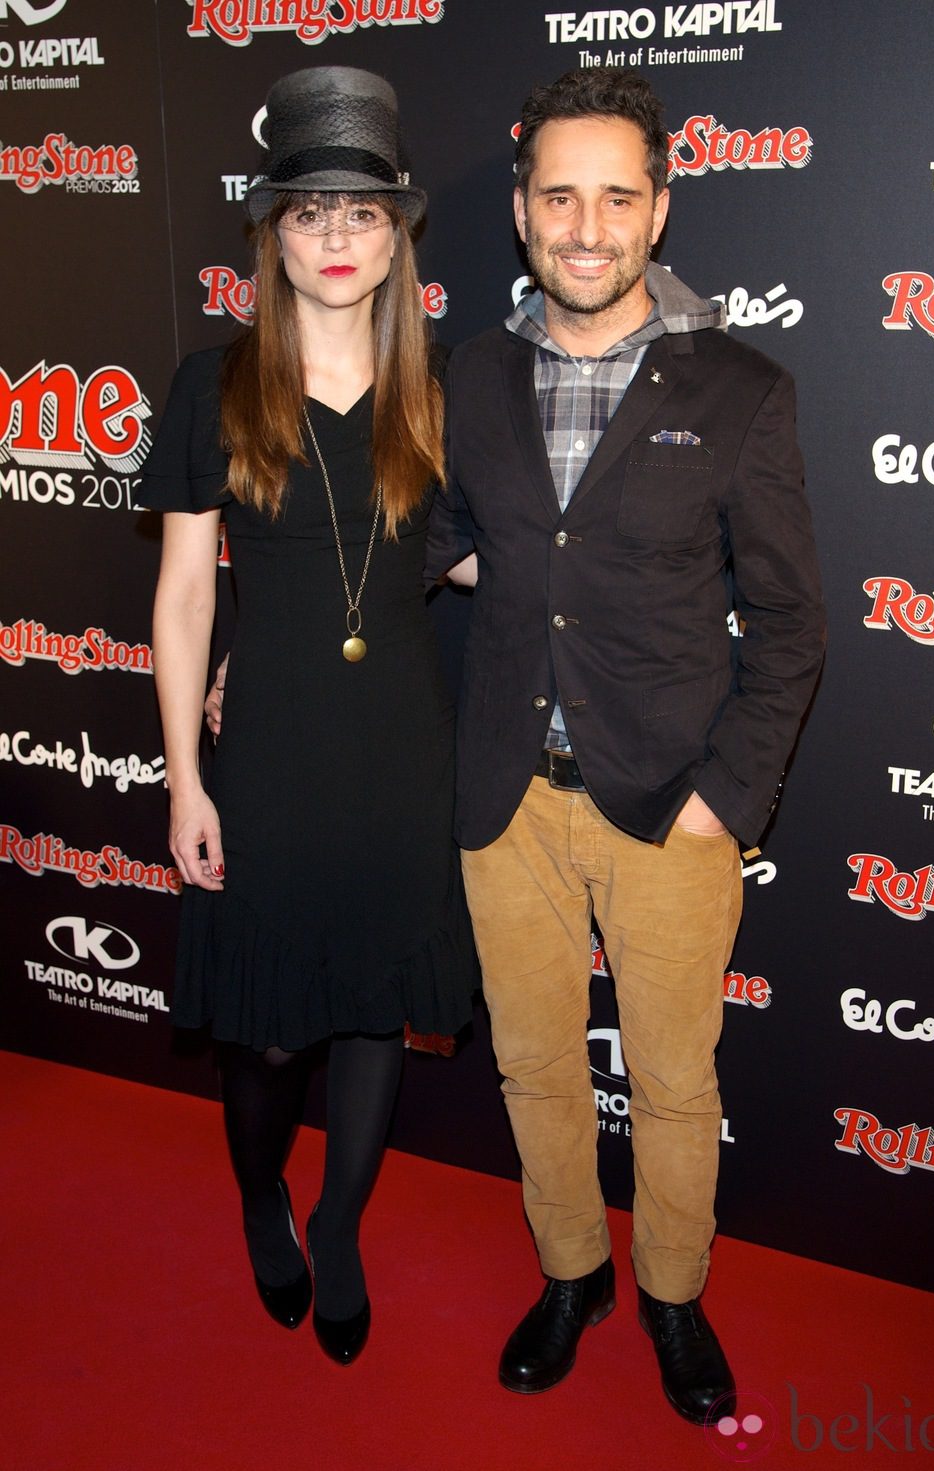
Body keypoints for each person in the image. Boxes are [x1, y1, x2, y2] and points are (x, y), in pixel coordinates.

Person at [424, 69, 825, 1424]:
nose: (584, 228)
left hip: (673, 802)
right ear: (525, 210)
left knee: (670, 1077)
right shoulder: (469, 372)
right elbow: (429, 542)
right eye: (558, 198)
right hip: (505, 800)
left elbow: (788, 618)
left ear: (660, 206)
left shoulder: (744, 385)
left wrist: (731, 796)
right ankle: (570, 1271)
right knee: (532, 1061)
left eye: (616, 197)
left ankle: (671, 1289)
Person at [144, 66, 474, 1368]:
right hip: (270, 748)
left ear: (398, 236)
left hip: (403, 747)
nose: (336, 238)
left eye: (361, 213)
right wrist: (185, 778)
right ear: (272, 236)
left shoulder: (447, 392)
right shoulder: (211, 385)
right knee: (272, 1031)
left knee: (375, 1018)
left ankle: (339, 1226)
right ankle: (262, 1195)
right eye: (308, 213)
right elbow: (179, 599)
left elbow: (471, 562)